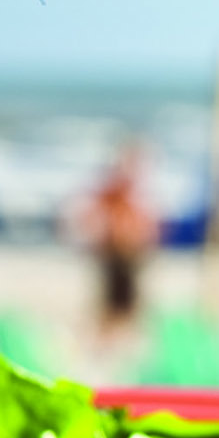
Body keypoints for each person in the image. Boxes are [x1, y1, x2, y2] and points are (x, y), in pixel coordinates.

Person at [77, 142, 159, 346]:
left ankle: (120, 346)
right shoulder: (115, 191)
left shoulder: (134, 192)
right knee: (112, 308)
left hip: (129, 256)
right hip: (115, 255)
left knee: (129, 308)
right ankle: (107, 346)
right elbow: (91, 216)